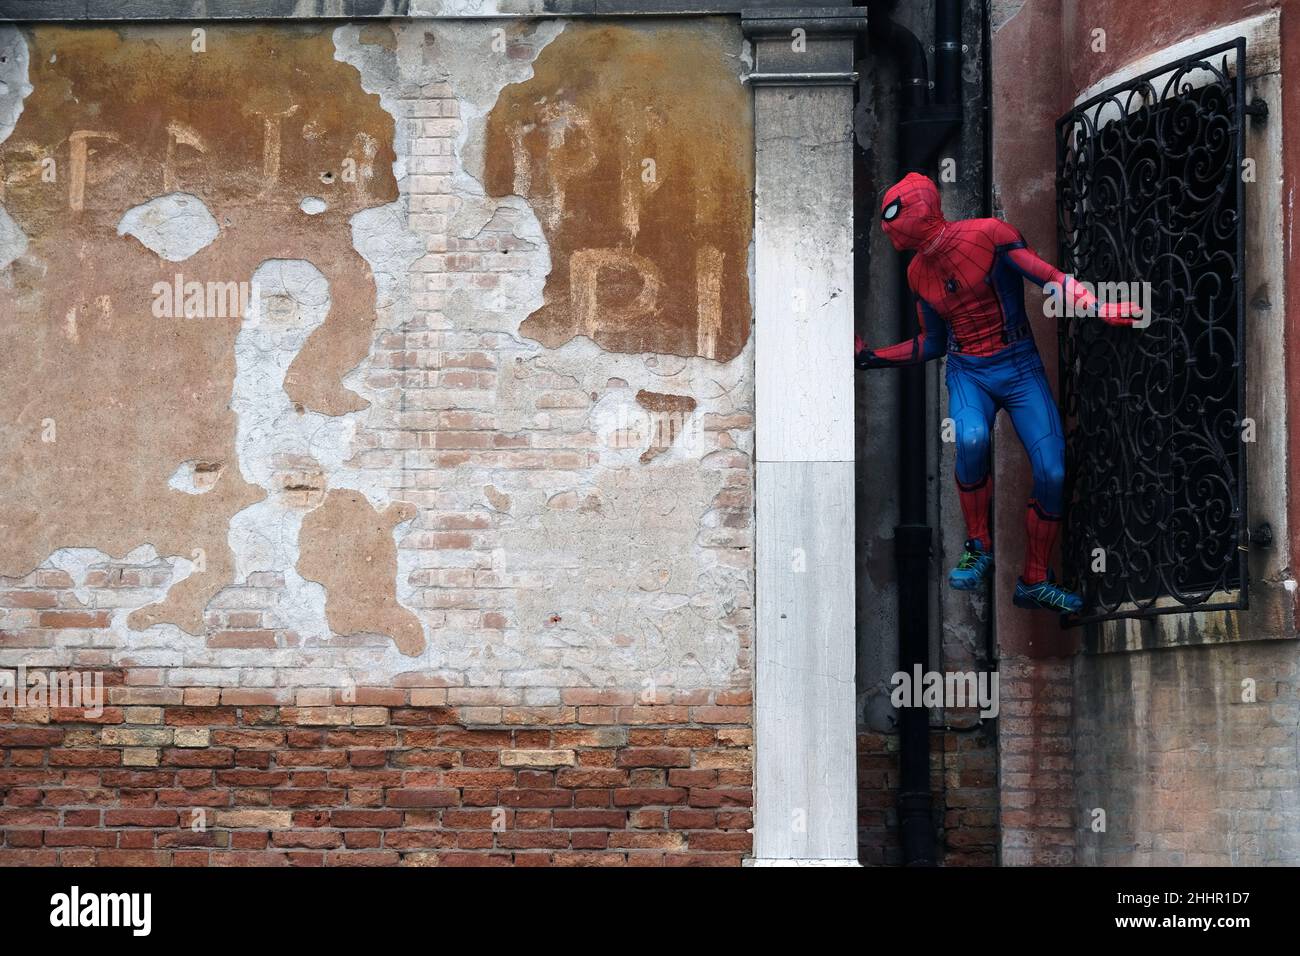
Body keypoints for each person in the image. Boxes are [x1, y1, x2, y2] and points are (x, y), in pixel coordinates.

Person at [855, 172, 1140, 613]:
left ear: (922, 209)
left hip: (1019, 364)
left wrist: (1098, 306)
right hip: (968, 369)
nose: (888, 223)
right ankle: (978, 546)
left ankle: (1034, 580)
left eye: (894, 213)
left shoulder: (989, 235)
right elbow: (931, 342)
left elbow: (1047, 276)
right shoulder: (916, 273)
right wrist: (872, 357)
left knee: (1053, 472)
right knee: (970, 439)